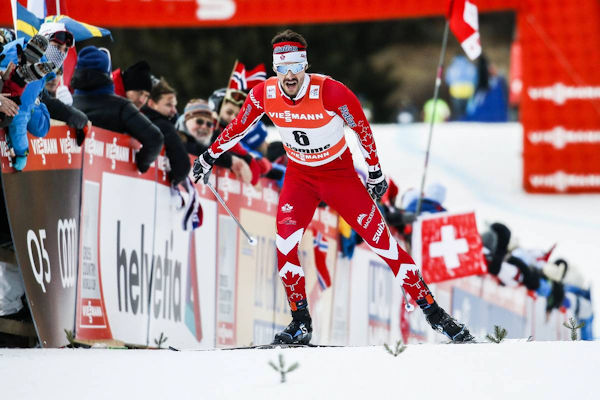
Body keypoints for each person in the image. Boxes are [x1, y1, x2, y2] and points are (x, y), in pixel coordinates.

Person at [193, 29, 473, 344]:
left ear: (305, 65)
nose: (289, 75)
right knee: (284, 246)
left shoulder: (331, 92)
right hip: (300, 178)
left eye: (295, 67)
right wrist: (208, 155)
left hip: (339, 177)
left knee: (386, 248)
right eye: (281, 68)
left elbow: (361, 129)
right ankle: (300, 322)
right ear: (275, 69)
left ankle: (436, 316)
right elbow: (237, 127)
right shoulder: (263, 94)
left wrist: (375, 173)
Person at [72, 46, 163, 173]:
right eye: (139, 92)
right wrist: (141, 165)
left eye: (146, 96)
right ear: (107, 73)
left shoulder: (69, 104)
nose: (142, 100)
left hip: (71, 180)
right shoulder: (121, 107)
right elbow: (155, 138)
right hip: (111, 179)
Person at [142, 78, 190, 185]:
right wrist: (173, 180)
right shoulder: (163, 125)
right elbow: (183, 165)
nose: (174, 110)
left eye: (175, 105)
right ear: (151, 104)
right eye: (168, 105)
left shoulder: (139, 120)